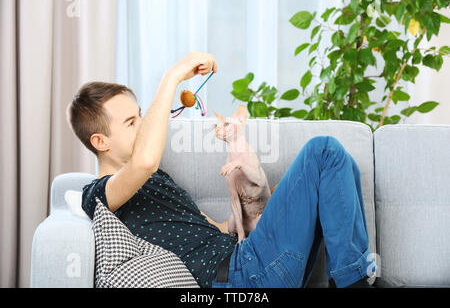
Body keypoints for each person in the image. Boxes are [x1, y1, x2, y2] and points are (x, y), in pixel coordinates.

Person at [67, 51, 376, 288]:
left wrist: (267, 203)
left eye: (140, 115)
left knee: (336, 165)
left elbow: (217, 228)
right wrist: (173, 76)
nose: (144, 125)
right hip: (241, 275)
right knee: (323, 151)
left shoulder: (157, 180)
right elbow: (144, 161)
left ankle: (351, 276)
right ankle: (354, 280)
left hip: (252, 259)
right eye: (132, 123)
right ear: (100, 141)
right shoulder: (98, 195)